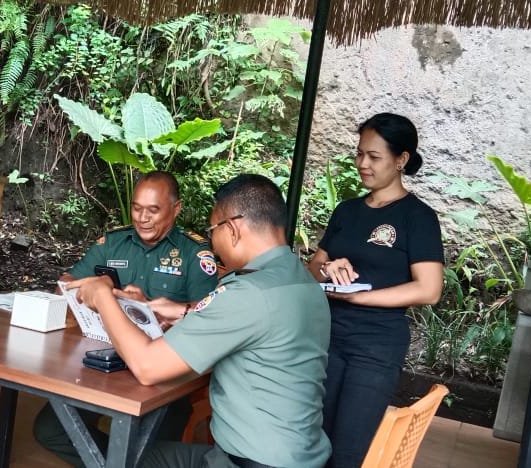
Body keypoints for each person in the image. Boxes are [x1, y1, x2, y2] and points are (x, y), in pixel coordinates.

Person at [67, 174, 332, 468]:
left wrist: (103, 297)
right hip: (295, 455)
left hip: (249, 461)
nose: (213, 243)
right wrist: (182, 311)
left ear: (232, 228)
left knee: (118, 460)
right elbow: (258, 325)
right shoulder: (302, 282)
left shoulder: (248, 292)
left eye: (213, 230)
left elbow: (147, 367)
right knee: (134, 456)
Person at [34, 171, 219, 466]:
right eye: (136, 208)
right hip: (103, 362)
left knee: (152, 453)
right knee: (50, 431)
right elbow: (67, 281)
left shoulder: (193, 253)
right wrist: (101, 292)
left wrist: (151, 307)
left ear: (176, 208)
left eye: (153, 210)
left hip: (163, 376)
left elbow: (209, 313)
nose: (142, 218)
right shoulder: (113, 243)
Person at [306, 113, 444, 468]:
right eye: (359, 154)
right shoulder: (347, 211)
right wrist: (328, 267)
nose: (363, 164)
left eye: (374, 156)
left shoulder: (418, 217)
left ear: (401, 160)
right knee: (312, 438)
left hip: (376, 346)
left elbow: (429, 289)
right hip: (329, 335)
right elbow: (313, 267)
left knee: (349, 450)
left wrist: (358, 296)